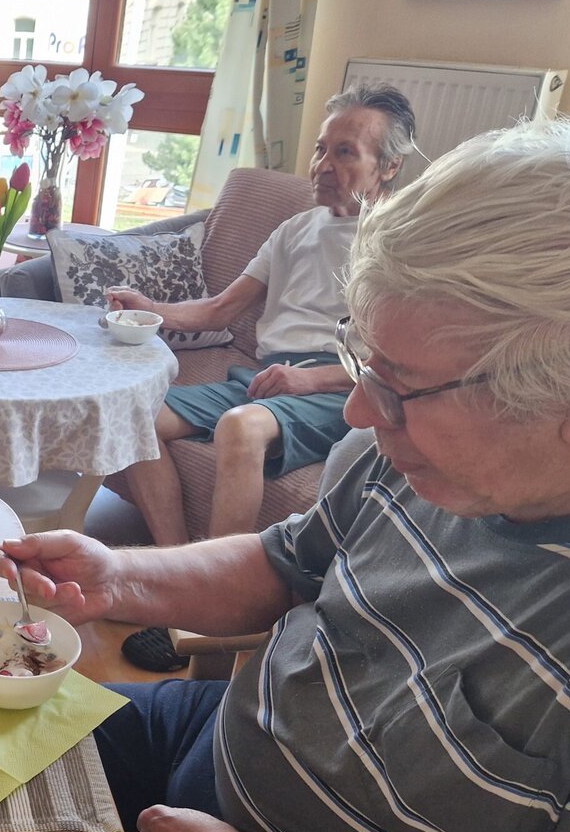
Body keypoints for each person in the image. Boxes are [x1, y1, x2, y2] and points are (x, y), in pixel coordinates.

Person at [0, 119, 570, 832]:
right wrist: (121, 577)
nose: (358, 414)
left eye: (400, 388)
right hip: (223, 744)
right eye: (364, 366)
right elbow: (284, 564)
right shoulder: (411, 457)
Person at [110, 84, 417, 550]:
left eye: (345, 152)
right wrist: (151, 310)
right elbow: (220, 309)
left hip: (343, 391)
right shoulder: (294, 229)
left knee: (241, 426)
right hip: (268, 380)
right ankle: (174, 564)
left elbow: (403, 364)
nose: (323, 165)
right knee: (133, 417)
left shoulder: (402, 241)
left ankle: (217, 583)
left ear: (389, 166)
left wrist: (308, 380)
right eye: (321, 149)